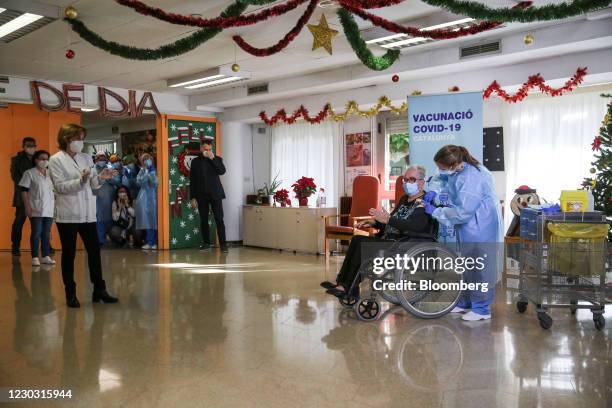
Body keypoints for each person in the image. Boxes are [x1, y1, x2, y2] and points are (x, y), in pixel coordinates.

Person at [321, 165, 434, 297]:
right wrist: (374, 222)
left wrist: (388, 220)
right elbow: (391, 222)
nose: (407, 183)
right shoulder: (404, 199)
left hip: (405, 243)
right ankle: (343, 283)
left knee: (363, 244)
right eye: (405, 179)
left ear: (421, 182)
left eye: (412, 179)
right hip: (391, 239)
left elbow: (415, 226)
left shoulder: (425, 202)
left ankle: (348, 286)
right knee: (357, 239)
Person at [423, 145, 503, 321]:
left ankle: (482, 309)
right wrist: (434, 194)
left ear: (454, 164)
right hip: (469, 226)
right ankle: (466, 302)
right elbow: (450, 192)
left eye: (442, 167)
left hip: (480, 225)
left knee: (480, 266)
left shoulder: (472, 176)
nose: (440, 171)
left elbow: (463, 211)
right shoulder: (459, 172)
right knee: (467, 265)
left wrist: (436, 212)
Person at [48, 123, 118, 308]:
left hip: (88, 214)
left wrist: (101, 177)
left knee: (94, 251)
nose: (80, 142)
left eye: (82, 138)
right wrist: (81, 180)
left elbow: (93, 184)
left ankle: (99, 289)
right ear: (66, 139)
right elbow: (60, 187)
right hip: (69, 215)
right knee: (69, 254)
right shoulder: (56, 160)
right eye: (77, 138)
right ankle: (70, 293)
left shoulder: (86, 157)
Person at [189, 138, 228, 252]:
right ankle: (206, 243)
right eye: (205, 149)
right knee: (203, 220)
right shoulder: (195, 161)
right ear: (201, 148)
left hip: (216, 194)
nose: (208, 151)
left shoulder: (217, 159)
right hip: (201, 195)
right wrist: (193, 197)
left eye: (210, 149)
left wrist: (212, 158)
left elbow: (222, 171)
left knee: (219, 219)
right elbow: (193, 180)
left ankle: (223, 245)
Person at [18, 150, 55, 266]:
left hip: (49, 208)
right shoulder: (29, 173)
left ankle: (45, 255)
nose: (44, 161)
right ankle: (34, 256)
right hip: (36, 208)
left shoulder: (51, 174)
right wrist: (27, 207)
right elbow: (23, 191)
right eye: (42, 158)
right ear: (36, 160)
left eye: (46, 159)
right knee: (36, 232)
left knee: (46, 233)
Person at [10, 137, 36, 255]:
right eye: (28, 145)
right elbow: (15, 177)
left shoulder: (38, 159)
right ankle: (15, 246)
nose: (31, 147)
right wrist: (28, 184)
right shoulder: (16, 159)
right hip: (22, 195)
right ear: (23, 146)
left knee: (37, 222)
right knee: (19, 221)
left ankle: (45, 246)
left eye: (33, 145)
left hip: (36, 196)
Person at [93, 151, 120, 246]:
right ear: (96, 159)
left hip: (110, 201)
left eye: (103, 158)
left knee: (111, 221)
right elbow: (91, 184)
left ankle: (113, 239)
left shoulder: (110, 168)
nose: (102, 160)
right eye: (100, 158)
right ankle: (101, 240)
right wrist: (101, 178)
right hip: (98, 201)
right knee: (99, 220)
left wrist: (109, 178)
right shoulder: (93, 170)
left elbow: (118, 181)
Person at [135, 153, 158, 250]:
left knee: (154, 220)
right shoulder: (142, 171)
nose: (146, 160)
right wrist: (146, 174)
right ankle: (149, 242)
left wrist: (151, 174)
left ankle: (155, 242)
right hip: (144, 198)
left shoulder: (155, 170)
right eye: (144, 159)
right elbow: (138, 182)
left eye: (148, 158)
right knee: (147, 221)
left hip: (153, 197)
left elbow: (155, 183)